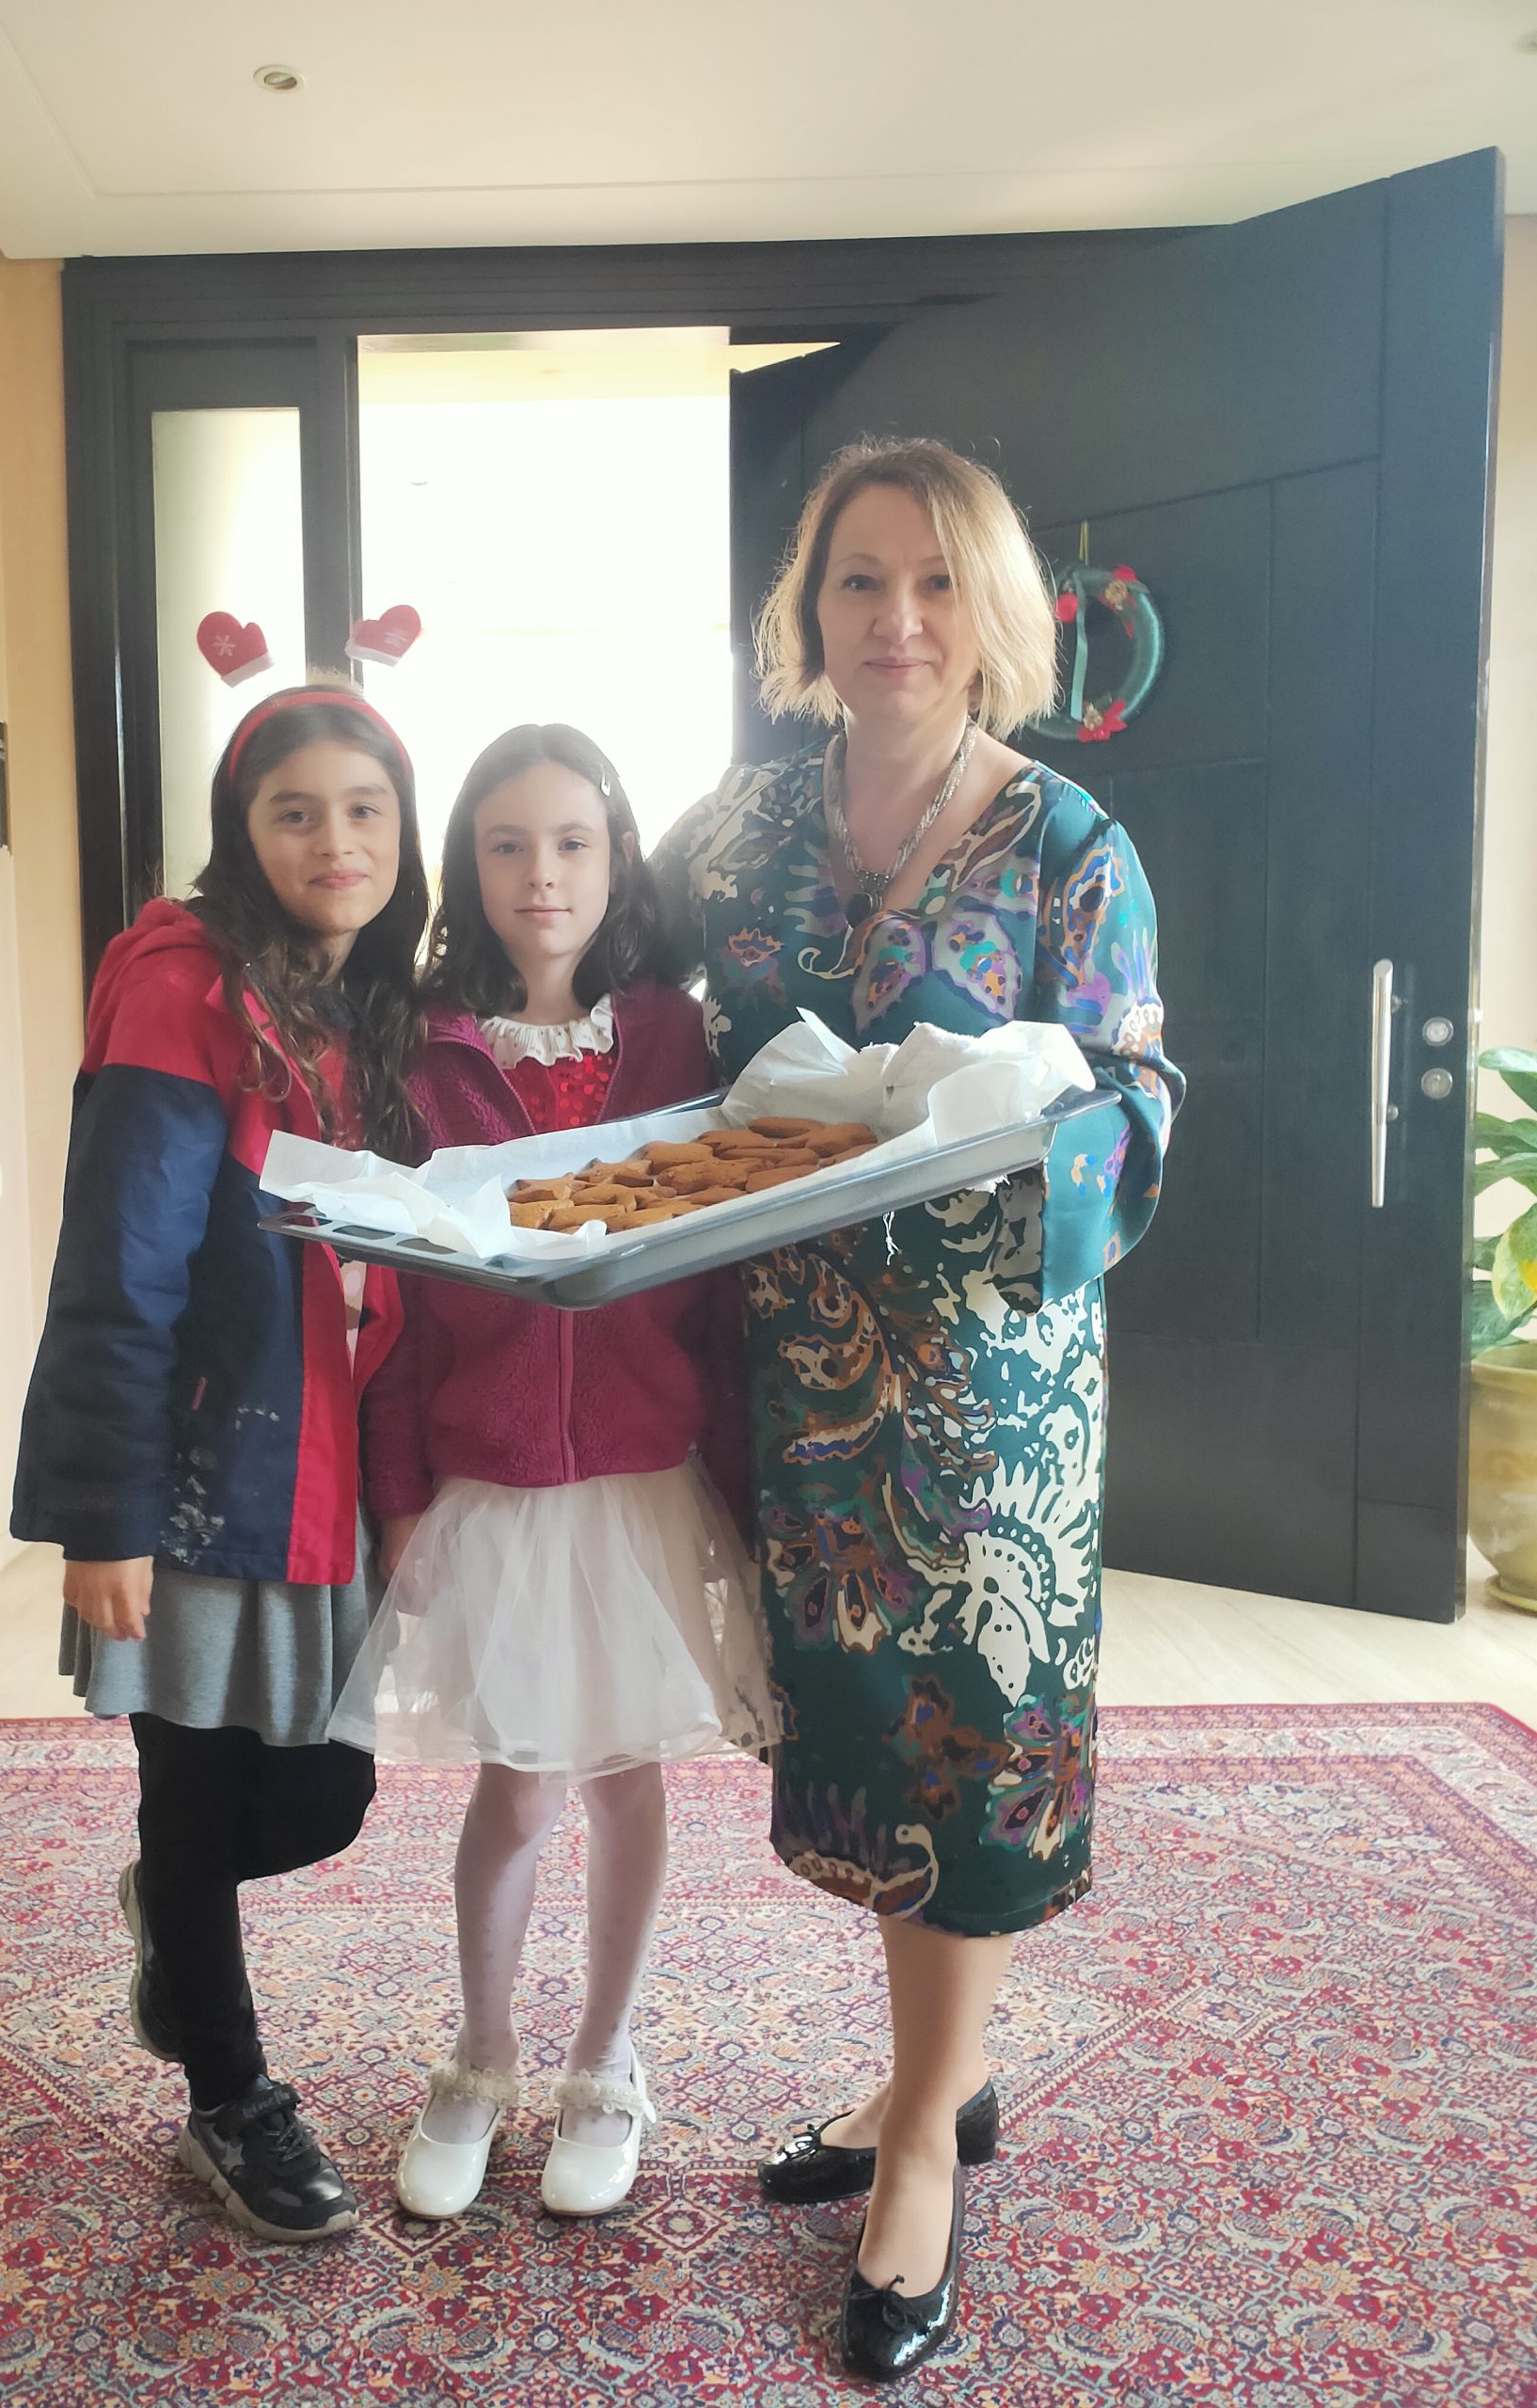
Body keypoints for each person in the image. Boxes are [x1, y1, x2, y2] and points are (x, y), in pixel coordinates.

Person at [655, 440, 1184, 2381]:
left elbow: (1138, 1092)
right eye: (860, 580)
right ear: (808, 608)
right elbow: (650, 1038)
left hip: (985, 1379)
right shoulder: (732, 832)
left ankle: (926, 2152)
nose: (897, 620)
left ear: (999, 611)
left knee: (968, 1743)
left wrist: (1009, 1132)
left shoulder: (1068, 844)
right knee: (873, 1743)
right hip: (797, 1368)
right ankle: (931, 2079)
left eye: (939, 581)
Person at [330, 722, 776, 2223]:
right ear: (469, 865)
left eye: (573, 842)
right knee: (518, 1792)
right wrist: (400, 1496)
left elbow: (717, 1287)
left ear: (617, 857)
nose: (542, 875)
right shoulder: (423, 1048)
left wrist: (744, 1495)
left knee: (628, 1783)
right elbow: (395, 1299)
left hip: (644, 1479)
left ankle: (607, 2057)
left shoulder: (674, 1040)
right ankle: (481, 2053)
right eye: (508, 845)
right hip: (495, 1484)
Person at [12, 679, 428, 2243]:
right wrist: (103, 1518)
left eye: (366, 811)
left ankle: (170, 1924)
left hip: (324, 1468)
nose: (335, 841)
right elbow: (117, 1266)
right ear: (241, 830)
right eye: (295, 811)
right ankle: (230, 2096)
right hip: (196, 1475)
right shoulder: (181, 988)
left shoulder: (358, 999)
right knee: (192, 1795)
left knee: (322, 1794)